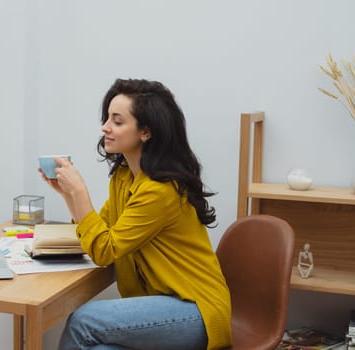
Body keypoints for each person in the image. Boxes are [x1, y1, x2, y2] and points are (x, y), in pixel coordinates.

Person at [39, 78, 232, 350]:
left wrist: (80, 192)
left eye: (117, 121)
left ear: (146, 132)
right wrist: (69, 195)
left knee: (84, 321)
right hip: (161, 305)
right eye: (107, 118)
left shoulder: (159, 190)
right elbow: (101, 230)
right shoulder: (123, 177)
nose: (105, 127)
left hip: (196, 310)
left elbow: (105, 249)